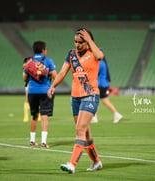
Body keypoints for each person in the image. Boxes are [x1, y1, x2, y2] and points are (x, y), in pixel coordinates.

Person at [47, 28, 103, 174]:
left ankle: (72, 164)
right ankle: (96, 162)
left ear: (88, 41)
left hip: (90, 95)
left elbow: (100, 56)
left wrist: (90, 41)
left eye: (81, 42)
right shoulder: (71, 55)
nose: (77, 45)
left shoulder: (94, 52)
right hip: (75, 98)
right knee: (86, 133)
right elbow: (62, 72)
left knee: (79, 130)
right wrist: (53, 86)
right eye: (76, 42)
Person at [23, 41, 57, 148]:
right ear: (43, 50)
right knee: (44, 116)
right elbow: (55, 75)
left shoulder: (29, 62)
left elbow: (24, 78)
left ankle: (32, 141)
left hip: (32, 91)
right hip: (45, 91)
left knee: (34, 116)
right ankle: (43, 142)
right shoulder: (48, 61)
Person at [91, 57, 123, 124]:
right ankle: (94, 117)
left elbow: (95, 72)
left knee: (104, 101)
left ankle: (116, 114)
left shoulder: (100, 63)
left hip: (100, 84)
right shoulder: (104, 63)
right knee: (99, 100)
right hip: (103, 84)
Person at [23, 57, 41, 123]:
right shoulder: (27, 68)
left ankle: (38, 115)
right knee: (27, 100)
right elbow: (24, 78)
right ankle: (26, 116)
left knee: (38, 100)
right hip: (28, 84)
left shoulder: (36, 67)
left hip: (36, 85)